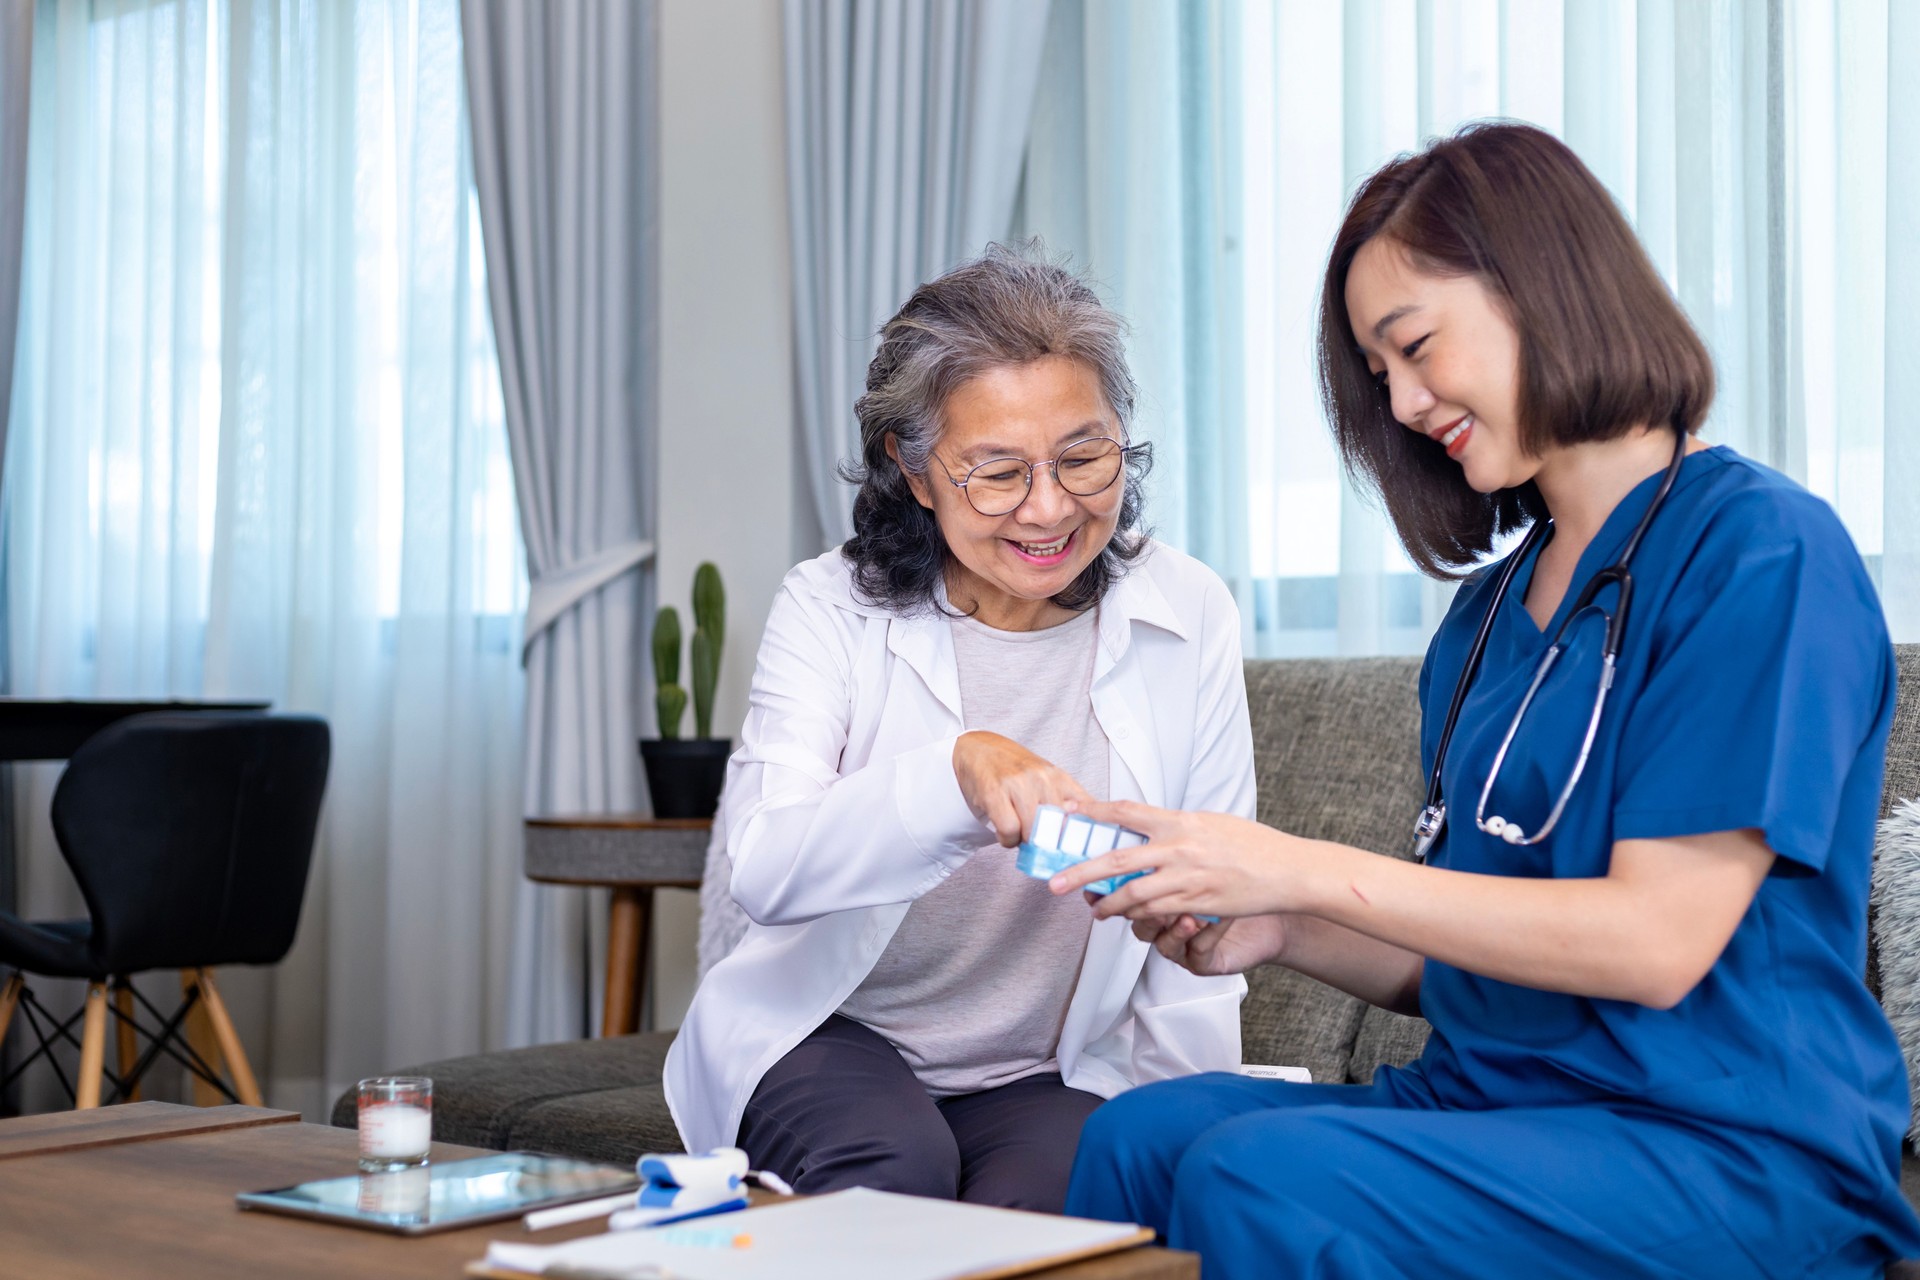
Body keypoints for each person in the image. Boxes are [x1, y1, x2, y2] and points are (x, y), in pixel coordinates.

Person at [1052, 123, 1920, 1277]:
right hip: (1495, 1103)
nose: (1404, 403)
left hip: (1725, 1144)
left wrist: (1295, 864)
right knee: (1141, 1135)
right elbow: (1465, 954)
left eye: (1414, 347)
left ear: (1543, 286)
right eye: (1378, 376)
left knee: (1251, 1175)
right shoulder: (1480, 626)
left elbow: (1657, 943)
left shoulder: (1762, 553)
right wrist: (1278, 928)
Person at [662, 244, 1254, 1212]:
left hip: (1040, 1065)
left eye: (1083, 455)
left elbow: (1204, 907)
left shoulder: (1189, 611)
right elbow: (765, 866)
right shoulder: (828, 606)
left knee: (1052, 1214)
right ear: (916, 469)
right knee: (895, 1172)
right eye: (997, 472)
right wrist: (956, 775)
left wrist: (1191, 1135)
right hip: (828, 1029)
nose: (1050, 506)